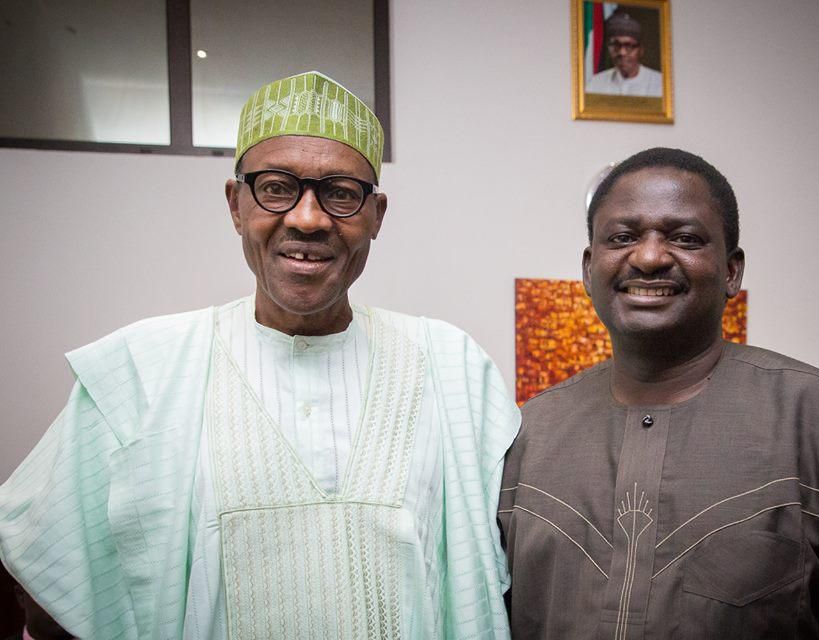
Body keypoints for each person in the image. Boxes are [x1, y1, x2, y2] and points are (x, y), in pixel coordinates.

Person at [0, 71, 520, 639]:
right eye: (276, 187)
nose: (307, 218)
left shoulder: (450, 367)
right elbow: (52, 591)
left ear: (376, 215)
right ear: (235, 204)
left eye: (341, 194)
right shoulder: (143, 370)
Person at [498, 148, 819, 638]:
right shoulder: (527, 434)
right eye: (622, 238)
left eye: (684, 238)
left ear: (731, 271)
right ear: (588, 267)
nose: (649, 256)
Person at [585, 11, 663, 98]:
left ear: (641, 50)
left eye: (629, 46)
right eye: (616, 45)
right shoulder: (595, 83)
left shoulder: (660, 83)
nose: (622, 52)